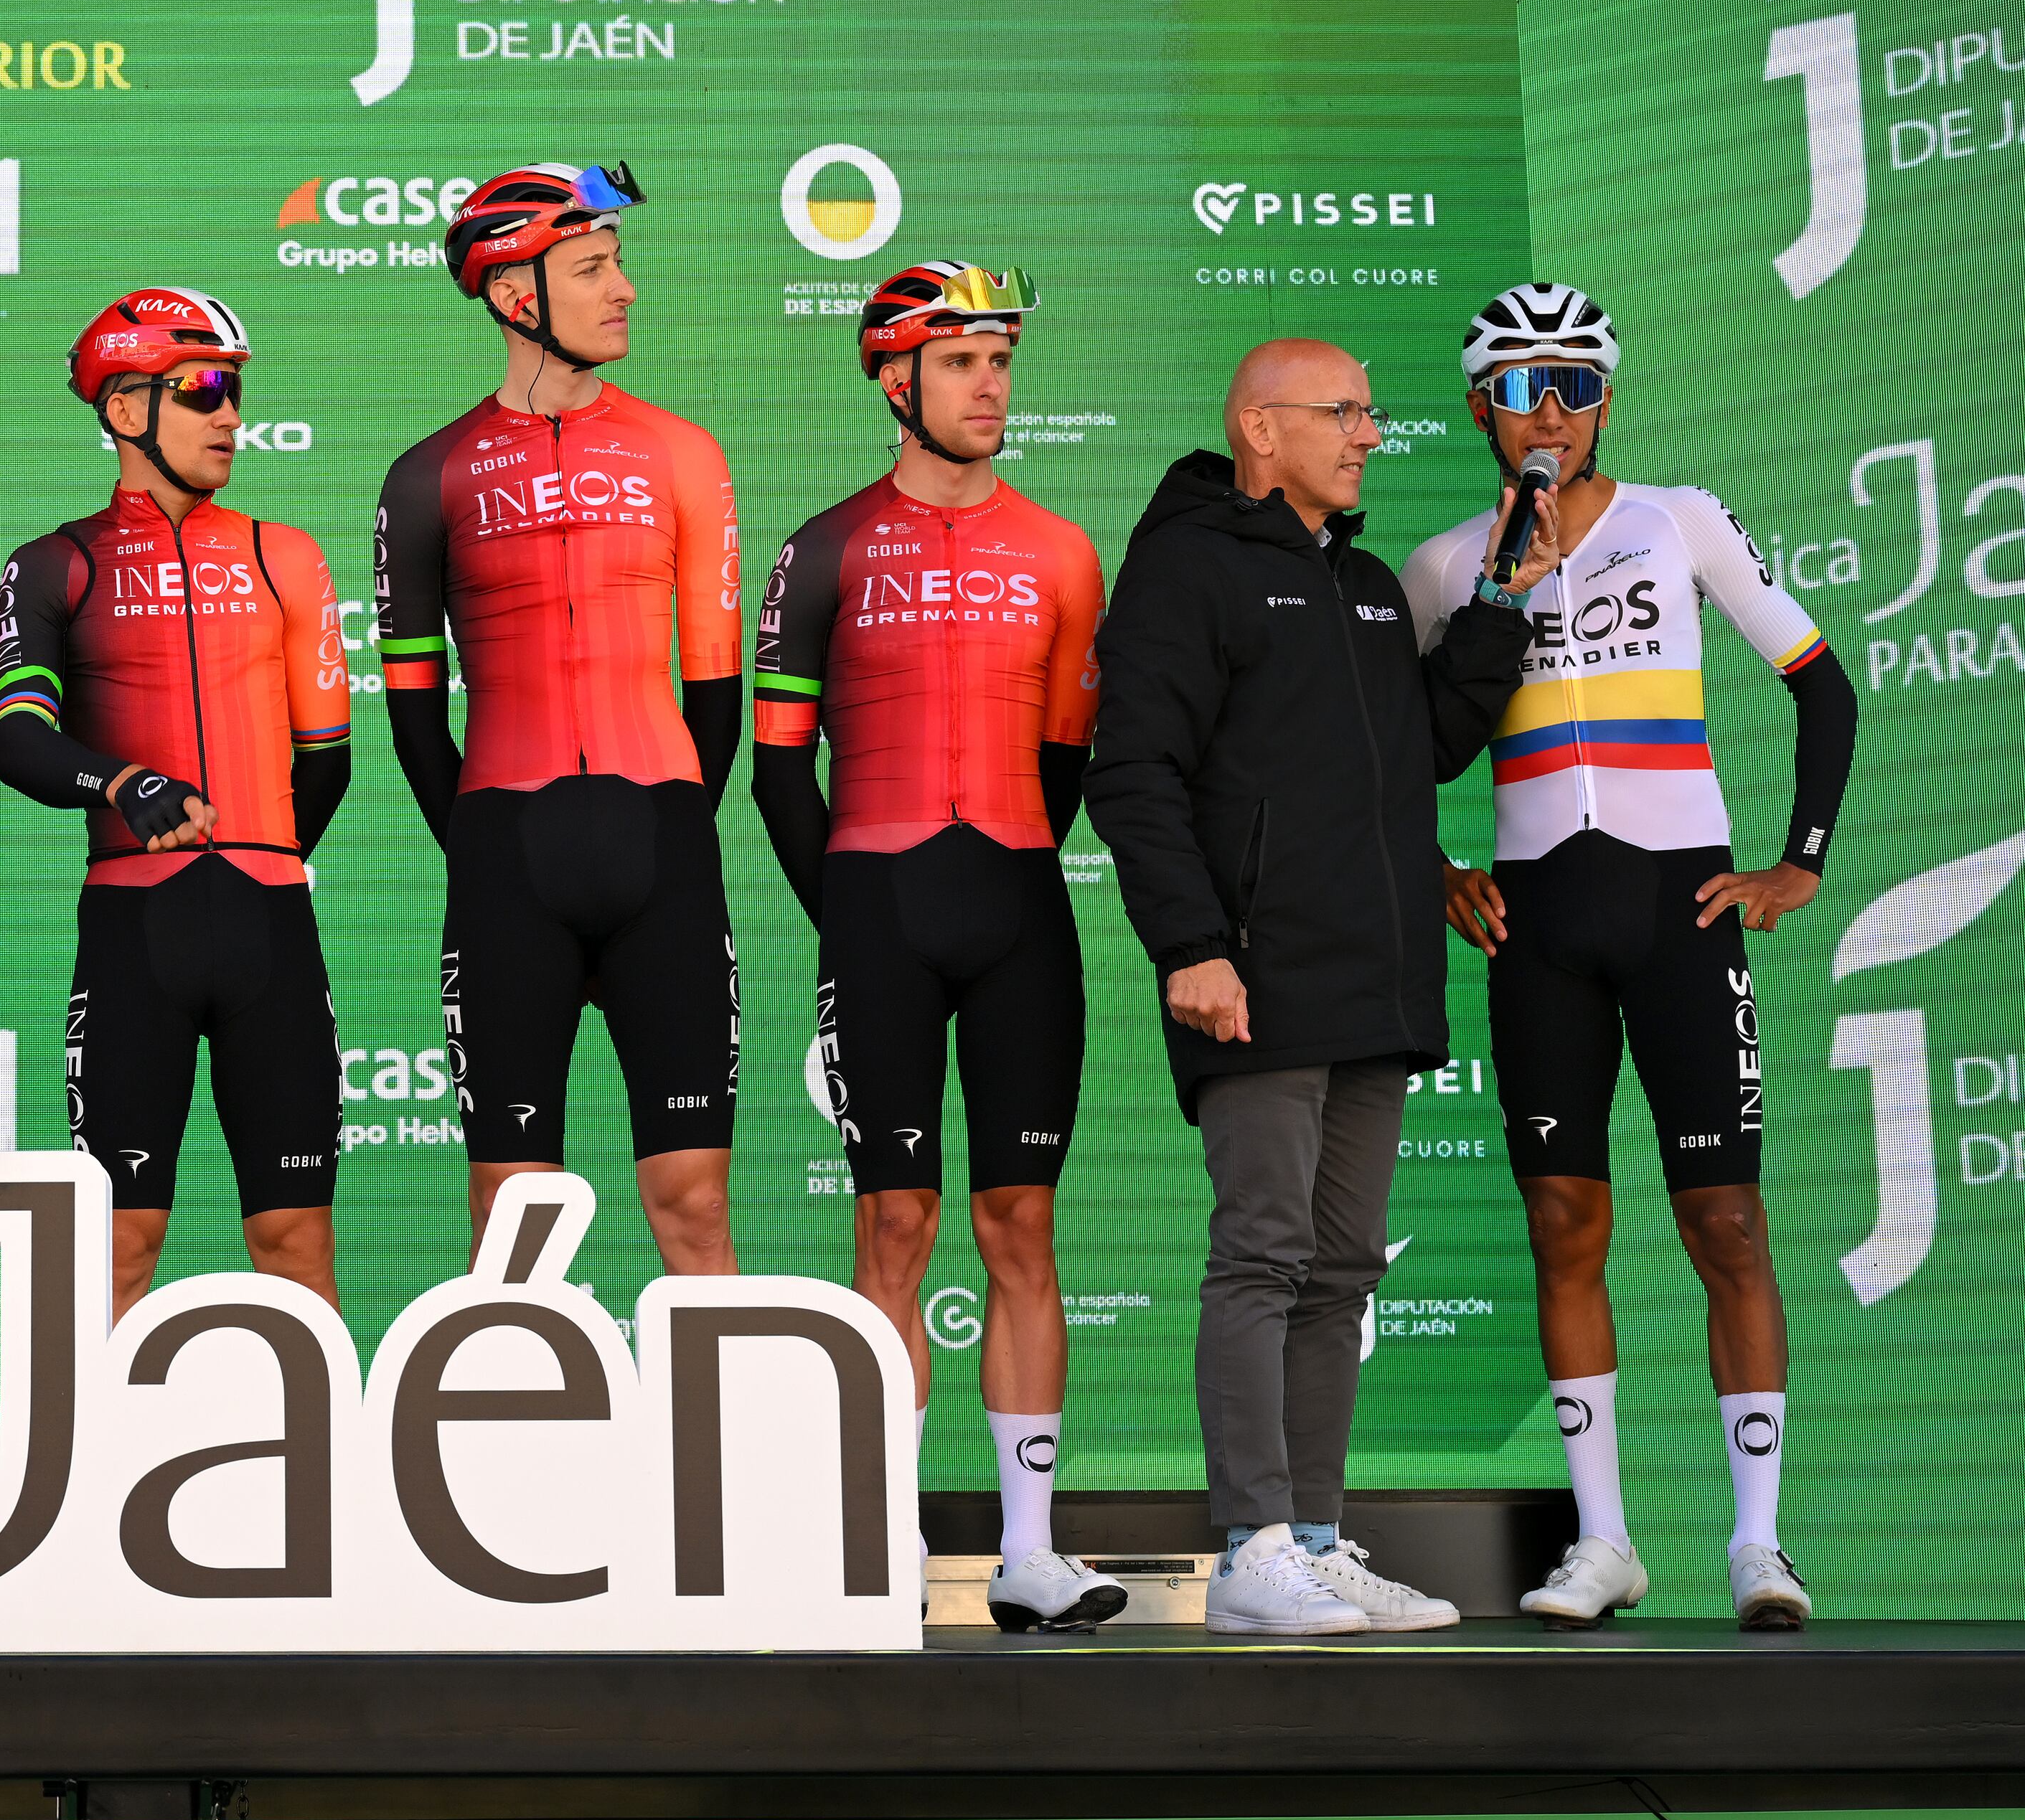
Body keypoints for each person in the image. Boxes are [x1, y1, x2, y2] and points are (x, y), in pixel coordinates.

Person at [1402, 284, 1853, 1632]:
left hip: (1679, 907)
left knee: (1726, 1221)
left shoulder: (1680, 518)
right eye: (1528, 387)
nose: (1554, 413)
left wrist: (1801, 862)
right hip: (1540, 915)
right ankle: (1602, 1540)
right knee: (1563, 1224)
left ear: (1605, 401)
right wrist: (1434, 870)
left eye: (1578, 385)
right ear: (1484, 405)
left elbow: (1818, 679)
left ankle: (1759, 1545)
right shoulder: (1444, 566)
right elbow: (1382, 751)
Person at [1086, 338, 1551, 1637]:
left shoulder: (1355, 581)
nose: (1366, 433)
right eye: (1340, 413)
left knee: (1342, 1265)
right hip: (1257, 972)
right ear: (1258, 429)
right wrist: (1190, 944)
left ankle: (1318, 1537)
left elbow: (1422, 749)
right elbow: (1133, 772)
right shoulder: (1186, 564)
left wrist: (1502, 604)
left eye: (1370, 411)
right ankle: (1249, 1550)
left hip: (1374, 978)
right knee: (1266, 1255)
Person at [752, 259, 1122, 1632]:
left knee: (1021, 1221)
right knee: (893, 1225)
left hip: (1021, 899)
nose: (990, 387)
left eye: (1002, 362)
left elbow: (1069, 755)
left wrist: (1005, 853)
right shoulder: (825, 545)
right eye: (962, 362)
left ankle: (1029, 1548)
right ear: (895, 379)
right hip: (881, 907)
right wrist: (846, 911)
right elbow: (779, 769)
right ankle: (882, 1539)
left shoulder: (1065, 548)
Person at [375, 163, 743, 1275]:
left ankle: (719, 1453)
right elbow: (413, 715)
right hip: (506, 851)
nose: (624, 288)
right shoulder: (425, 474)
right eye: (593, 268)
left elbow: (716, 695)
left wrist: (667, 822)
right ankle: (508, 1451)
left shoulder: (686, 451)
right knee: (511, 1219)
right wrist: (492, 846)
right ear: (515, 296)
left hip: (663, 841)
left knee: (694, 1203)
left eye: (618, 262)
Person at [0, 288, 352, 1319]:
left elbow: (323, 761)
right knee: (115, 1249)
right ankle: (93, 1480)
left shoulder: (286, 554)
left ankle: (317, 1477)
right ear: (123, 410)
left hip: (270, 923)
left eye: (235, 391)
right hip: (131, 928)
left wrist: (255, 851)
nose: (230, 416)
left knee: (296, 1241)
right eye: (203, 389)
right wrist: (122, 784)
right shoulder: (55, 561)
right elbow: (19, 740)